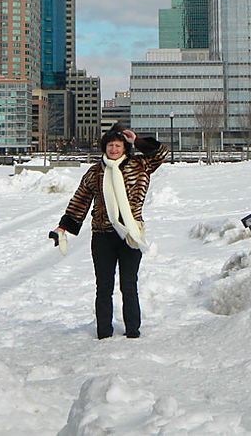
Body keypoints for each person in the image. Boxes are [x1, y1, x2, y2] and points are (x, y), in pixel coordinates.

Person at [53, 122, 168, 340]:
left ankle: (133, 330)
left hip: (130, 235)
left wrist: (138, 140)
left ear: (125, 147)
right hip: (102, 236)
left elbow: (161, 153)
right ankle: (104, 332)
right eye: (110, 146)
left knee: (129, 285)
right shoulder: (95, 172)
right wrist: (64, 226)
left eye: (118, 145)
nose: (114, 149)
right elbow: (80, 200)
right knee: (103, 287)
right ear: (104, 148)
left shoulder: (139, 165)